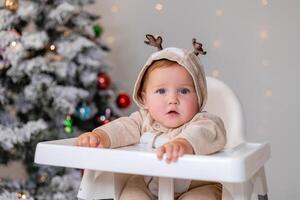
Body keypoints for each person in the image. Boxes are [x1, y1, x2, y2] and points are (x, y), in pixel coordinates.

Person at [76, 34, 226, 200]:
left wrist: (184, 143)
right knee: (131, 194)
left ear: (199, 97)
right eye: (161, 91)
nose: (172, 100)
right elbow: (122, 127)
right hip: (149, 185)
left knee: (205, 197)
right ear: (144, 98)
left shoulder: (203, 122)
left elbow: (208, 132)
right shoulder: (143, 120)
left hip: (197, 186)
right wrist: (100, 136)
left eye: (184, 91)